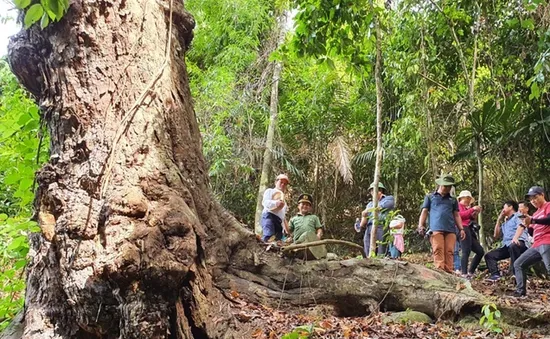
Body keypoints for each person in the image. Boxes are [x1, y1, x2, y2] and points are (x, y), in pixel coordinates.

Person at [417, 174, 466, 273]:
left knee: (449, 251)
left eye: (449, 186)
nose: (447, 188)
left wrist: (461, 229)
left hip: (450, 229)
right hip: (436, 228)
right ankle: (440, 271)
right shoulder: (430, 197)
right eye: (445, 186)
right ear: (440, 185)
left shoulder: (452, 200)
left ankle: (449, 271)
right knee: (438, 249)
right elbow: (425, 211)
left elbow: (456, 215)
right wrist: (420, 225)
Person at [512, 186, 550, 297]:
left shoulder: (548, 206)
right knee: (518, 264)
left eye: (535, 197)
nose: (533, 201)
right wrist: (528, 224)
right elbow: (532, 232)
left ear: (542, 195)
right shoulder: (535, 213)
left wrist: (533, 220)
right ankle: (520, 292)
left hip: (546, 241)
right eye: (531, 199)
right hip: (536, 244)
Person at [484, 200, 530, 281]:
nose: (502, 209)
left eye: (504, 207)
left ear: (510, 207)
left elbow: (521, 226)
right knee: (489, 255)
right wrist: (499, 220)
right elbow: (496, 235)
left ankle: (516, 274)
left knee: (513, 246)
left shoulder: (518, 216)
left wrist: (515, 238)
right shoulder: (505, 223)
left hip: (520, 243)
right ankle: (495, 275)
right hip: (507, 246)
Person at [358, 182, 395, 256]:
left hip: (381, 227)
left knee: (381, 249)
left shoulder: (389, 199)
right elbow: (365, 218)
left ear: (380, 191)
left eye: (373, 190)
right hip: (369, 227)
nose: (372, 193)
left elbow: (380, 207)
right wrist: (361, 223)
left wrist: (368, 210)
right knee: (368, 249)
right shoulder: (369, 204)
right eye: (371, 191)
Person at [288, 194, 326, 259]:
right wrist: (289, 238)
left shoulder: (314, 217)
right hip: (297, 243)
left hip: (310, 243)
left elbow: (319, 229)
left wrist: (318, 235)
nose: (305, 206)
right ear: (298, 206)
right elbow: (289, 231)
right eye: (303, 204)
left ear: (310, 207)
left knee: (307, 234)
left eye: (307, 205)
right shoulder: (293, 219)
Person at [457, 190, 484, 277]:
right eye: (466, 198)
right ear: (462, 198)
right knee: (466, 251)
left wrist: (474, 213)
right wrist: (472, 209)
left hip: (469, 229)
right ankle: (464, 273)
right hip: (462, 228)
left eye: (469, 199)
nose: (468, 201)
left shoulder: (466, 208)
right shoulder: (458, 206)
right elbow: (460, 216)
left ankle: (471, 271)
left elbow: (469, 218)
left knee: (480, 251)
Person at [260, 174, 290, 242]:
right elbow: (265, 202)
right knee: (269, 236)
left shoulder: (284, 200)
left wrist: (286, 230)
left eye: (285, 184)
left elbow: (283, 216)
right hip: (269, 216)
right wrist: (276, 203)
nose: (283, 185)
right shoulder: (270, 191)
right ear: (276, 182)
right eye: (281, 182)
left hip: (279, 221)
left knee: (278, 240)